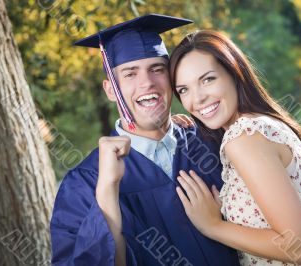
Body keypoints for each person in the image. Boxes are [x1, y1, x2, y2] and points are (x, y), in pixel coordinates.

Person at [169, 30, 301, 265]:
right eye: (184, 89)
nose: (197, 99)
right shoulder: (261, 125)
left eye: (207, 79)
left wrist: (214, 226)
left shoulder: (244, 138)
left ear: (234, 73)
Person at [50, 15, 241, 266]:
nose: (147, 83)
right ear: (110, 90)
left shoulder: (212, 142)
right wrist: (107, 191)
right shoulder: (85, 183)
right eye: (130, 74)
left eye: (157, 69)